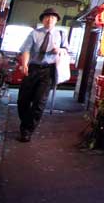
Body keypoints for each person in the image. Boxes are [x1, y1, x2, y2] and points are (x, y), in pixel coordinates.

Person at [16, 7, 69, 142]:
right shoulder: (34, 33)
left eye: (52, 17)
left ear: (56, 20)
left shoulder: (61, 34)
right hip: (33, 68)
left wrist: (60, 50)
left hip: (48, 71)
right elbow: (26, 50)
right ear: (42, 20)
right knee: (23, 100)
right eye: (47, 17)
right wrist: (25, 64)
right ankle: (25, 122)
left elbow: (66, 50)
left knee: (39, 102)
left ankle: (27, 130)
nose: (49, 19)